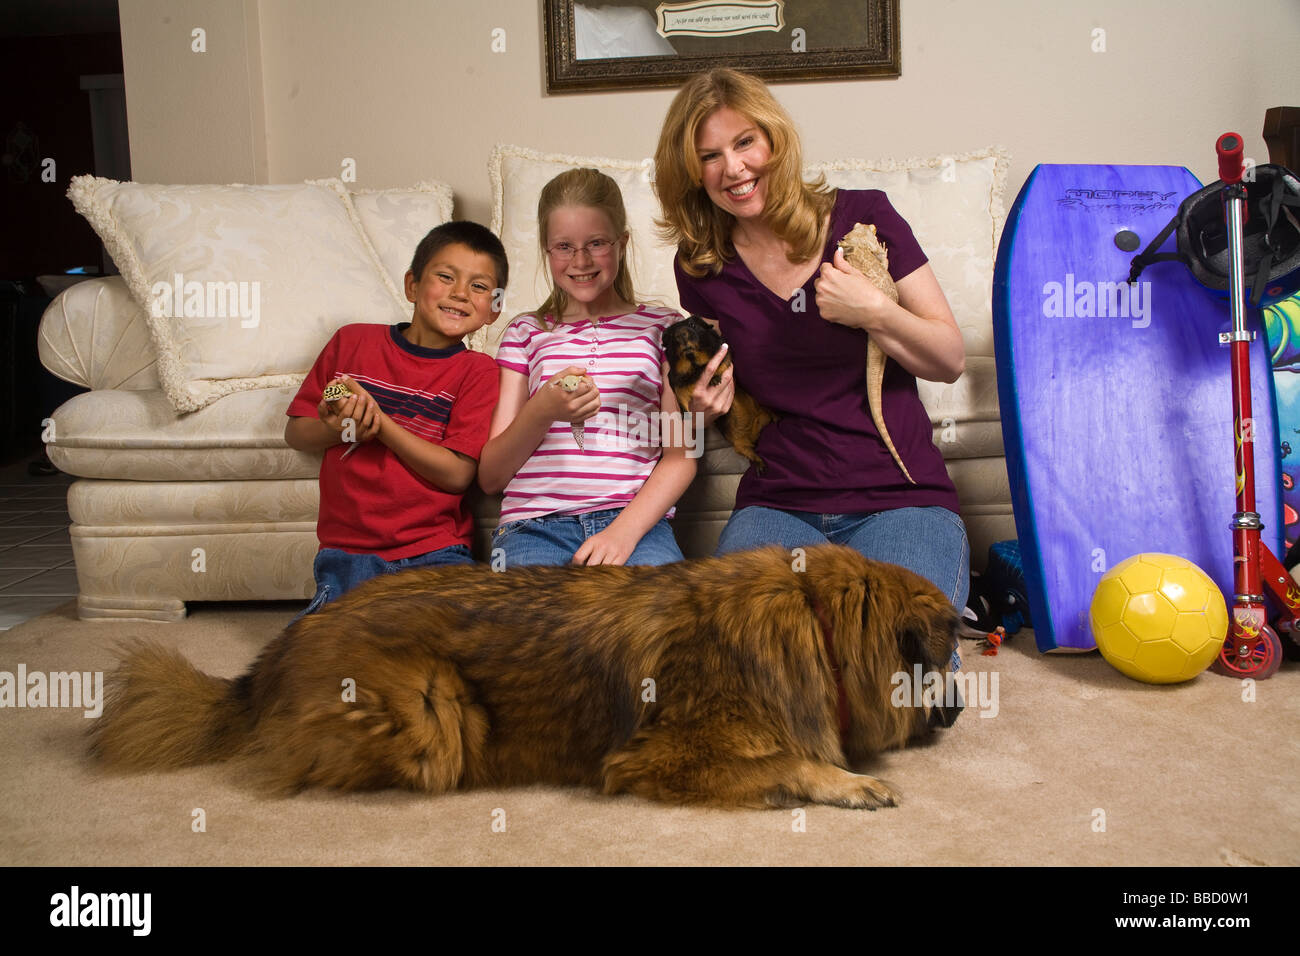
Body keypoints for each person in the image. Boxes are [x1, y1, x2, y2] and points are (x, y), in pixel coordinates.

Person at [653, 68, 971, 626]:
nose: (733, 168)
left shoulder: (864, 218)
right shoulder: (701, 264)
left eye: (745, 141)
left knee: (897, 665)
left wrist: (873, 311)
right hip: (781, 503)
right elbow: (702, 388)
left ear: (774, 140)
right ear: (691, 172)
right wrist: (699, 410)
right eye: (709, 155)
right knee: (743, 658)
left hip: (901, 496)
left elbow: (949, 359)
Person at [284, 220, 506, 615]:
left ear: (494, 308)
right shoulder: (351, 342)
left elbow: (457, 474)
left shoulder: (479, 371)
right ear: (412, 285)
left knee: (464, 645)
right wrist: (334, 426)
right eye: (445, 276)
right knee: (319, 662)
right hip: (349, 554)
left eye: (479, 286)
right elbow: (299, 430)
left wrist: (382, 425)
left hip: (435, 552)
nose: (460, 293)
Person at [478, 168, 695, 566]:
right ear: (546, 250)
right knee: (521, 626)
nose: (580, 260)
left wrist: (624, 533)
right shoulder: (525, 332)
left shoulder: (665, 327)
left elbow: (683, 454)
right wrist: (543, 409)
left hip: (635, 523)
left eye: (596, 243)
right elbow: (491, 477)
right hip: (534, 525)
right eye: (563, 246)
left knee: (665, 621)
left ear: (622, 243)